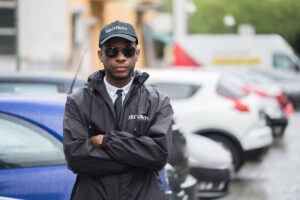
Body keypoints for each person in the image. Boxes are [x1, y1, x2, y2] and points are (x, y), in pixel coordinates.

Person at [63, 20, 173, 200]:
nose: (120, 57)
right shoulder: (78, 102)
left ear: (137, 53)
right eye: (112, 50)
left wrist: (106, 141)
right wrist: (138, 158)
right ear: (100, 54)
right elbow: (76, 157)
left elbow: (159, 155)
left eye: (128, 50)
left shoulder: (158, 102)